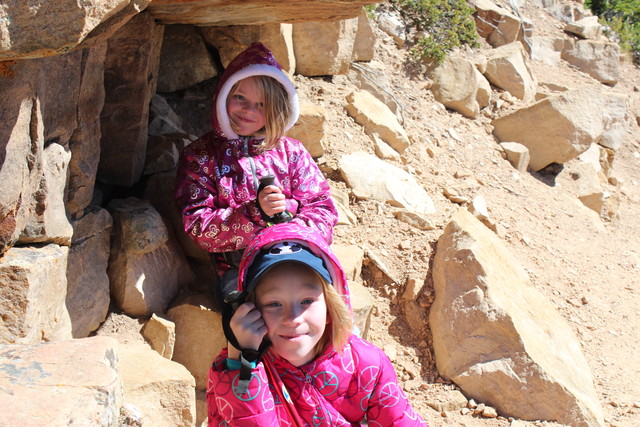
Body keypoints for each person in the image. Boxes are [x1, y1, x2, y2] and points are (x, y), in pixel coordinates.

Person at [206, 223, 428, 426]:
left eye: (306, 301)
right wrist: (243, 363)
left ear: (330, 308)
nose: (293, 318)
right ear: (251, 309)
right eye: (274, 303)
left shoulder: (366, 365)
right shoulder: (232, 370)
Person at [174, 42, 337, 300]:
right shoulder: (201, 156)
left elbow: (321, 206)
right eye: (240, 97)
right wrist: (254, 214)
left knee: (315, 305)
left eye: (262, 104)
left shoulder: (291, 152)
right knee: (254, 316)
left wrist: (289, 225)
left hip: (297, 253)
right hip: (237, 266)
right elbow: (197, 224)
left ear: (277, 109)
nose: (249, 110)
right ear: (223, 95)